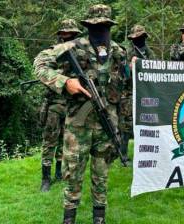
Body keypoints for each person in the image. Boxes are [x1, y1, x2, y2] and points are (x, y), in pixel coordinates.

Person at [33, 4, 127, 224]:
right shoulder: (72, 47)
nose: (100, 30)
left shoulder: (118, 52)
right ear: (87, 26)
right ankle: (69, 218)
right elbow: (39, 64)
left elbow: (125, 87)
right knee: (73, 174)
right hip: (78, 126)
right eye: (96, 26)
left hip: (108, 124)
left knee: (101, 175)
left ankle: (99, 218)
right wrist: (66, 82)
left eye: (105, 26)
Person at [39, 18, 82, 192]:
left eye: (70, 35)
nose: (67, 37)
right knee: (50, 140)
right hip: (54, 104)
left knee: (66, 141)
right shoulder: (51, 53)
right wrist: (62, 78)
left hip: (72, 105)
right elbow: (43, 72)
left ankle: (59, 173)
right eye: (64, 34)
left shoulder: (81, 53)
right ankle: (45, 178)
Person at [119, 24, 156, 164]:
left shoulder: (148, 52)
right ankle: (123, 155)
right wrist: (129, 66)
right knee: (127, 126)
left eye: (142, 37)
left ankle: (145, 153)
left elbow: (156, 68)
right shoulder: (126, 52)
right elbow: (122, 74)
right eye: (138, 37)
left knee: (147, 123)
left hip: (145, 93)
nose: (140, 39)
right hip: (128, 93)